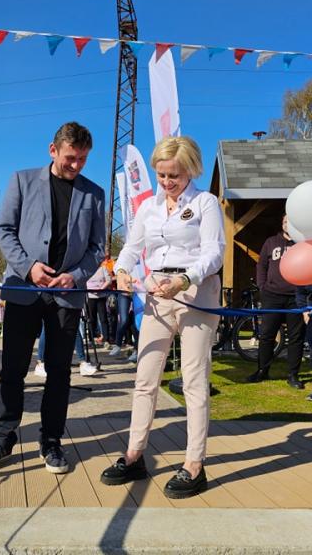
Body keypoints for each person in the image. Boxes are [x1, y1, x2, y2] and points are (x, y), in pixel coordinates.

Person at [0, 121, 105, 474]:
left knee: (60, 372)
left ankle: (51, 442)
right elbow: (3, 229)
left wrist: (75, 276)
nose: (76, 166)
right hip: (24, 288)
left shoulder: (94, 193)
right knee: (12, 369)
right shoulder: (22, 180)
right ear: (53, 150)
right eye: (70, 158)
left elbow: (97, 248)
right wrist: (28, 266)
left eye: (82, 159)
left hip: (66, 296)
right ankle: (2, 437)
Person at [100, 136, 224, 499]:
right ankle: (134, 453)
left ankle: (194, 464)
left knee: (193, 379)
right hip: (155, 292)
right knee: (145, 378)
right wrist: (122, 271)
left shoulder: (206, 202)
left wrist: (186, 279)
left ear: (190, 170)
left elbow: (215, 252)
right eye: (162, 175)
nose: (167, 182)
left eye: (174, 175)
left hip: (194, 291)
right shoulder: (148, 208)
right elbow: (131, 248)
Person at [247, 215, 306, 389]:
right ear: (282, 224)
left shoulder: (302, 245)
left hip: (296, 297)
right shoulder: (271, 242)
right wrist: (262, 286)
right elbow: (261, 265)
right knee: (266, 336)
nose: (288, 224)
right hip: (272, 296)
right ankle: (262, 370)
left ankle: (293, 375)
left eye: (292, 222)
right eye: (286, 221)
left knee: (296, 337)